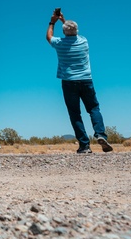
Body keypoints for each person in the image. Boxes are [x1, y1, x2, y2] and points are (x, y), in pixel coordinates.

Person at [46, 11, 113, 154]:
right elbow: (71, 30)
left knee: (75, 113)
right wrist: (64, 20)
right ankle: (100, 134)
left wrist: (52, 22)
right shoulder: (84, 41)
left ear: (64, 31)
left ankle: (84, 145)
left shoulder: (59, 44)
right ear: (77, 31)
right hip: (86, 79)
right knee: (94, 108)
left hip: (69, 81)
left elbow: (49, 37)